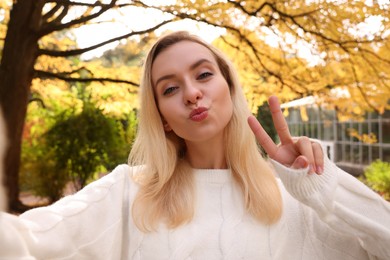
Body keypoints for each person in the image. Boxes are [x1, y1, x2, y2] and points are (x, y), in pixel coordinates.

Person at [0, 30, 389, 260]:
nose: (191, 94)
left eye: (203, 74)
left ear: (230, 88)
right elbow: (25, 242)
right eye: (170, 88)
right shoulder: (129, 192)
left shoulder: (296, 195)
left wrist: (323, 188)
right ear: (163, 119)